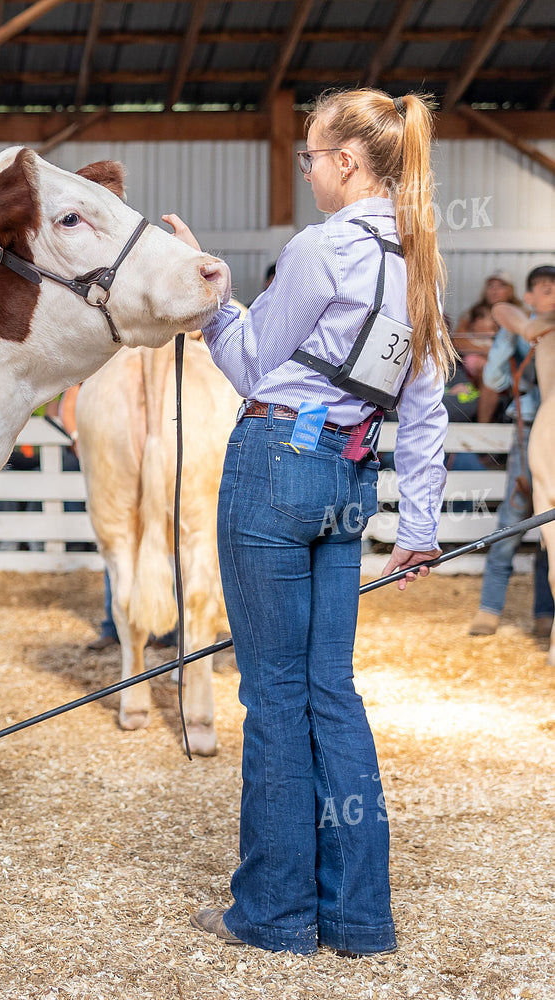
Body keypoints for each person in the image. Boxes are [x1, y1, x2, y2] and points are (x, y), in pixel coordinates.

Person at [165, 88, 452, 958]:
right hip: (350, 479)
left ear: (347, 164)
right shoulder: (421, 260)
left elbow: (253, 362)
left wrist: (210, 293)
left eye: (311, 160)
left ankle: (277, 915)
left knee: (275, 699)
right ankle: (360, 917)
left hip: (276, 469)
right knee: (333, 692)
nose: (309, 173)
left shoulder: (321, 247)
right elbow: (428, 409)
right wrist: (420, 526)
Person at [468, 265, 555, 639]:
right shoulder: (523, 330)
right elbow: (495, 380)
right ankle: (489, 609)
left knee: (550, 529)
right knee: (514, 519)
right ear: (532, 296)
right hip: (530, 429)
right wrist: (512, 338)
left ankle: (544, 613)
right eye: (546, 290)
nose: (553, 297)